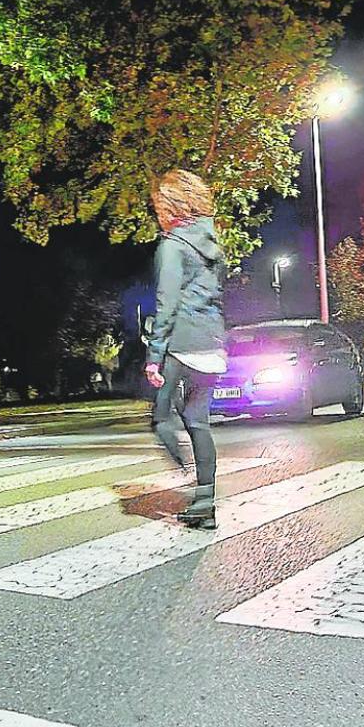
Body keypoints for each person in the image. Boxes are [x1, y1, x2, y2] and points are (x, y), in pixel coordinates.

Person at [142, 170, 227, 529]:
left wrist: (153, 357)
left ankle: (188, 473)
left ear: (169, 205)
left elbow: (167, 303)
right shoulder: (211, 240)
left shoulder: (172, 245)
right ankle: (204, 505)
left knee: (161, 419)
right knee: (197, 421)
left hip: (182, 343)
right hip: (212, 342)